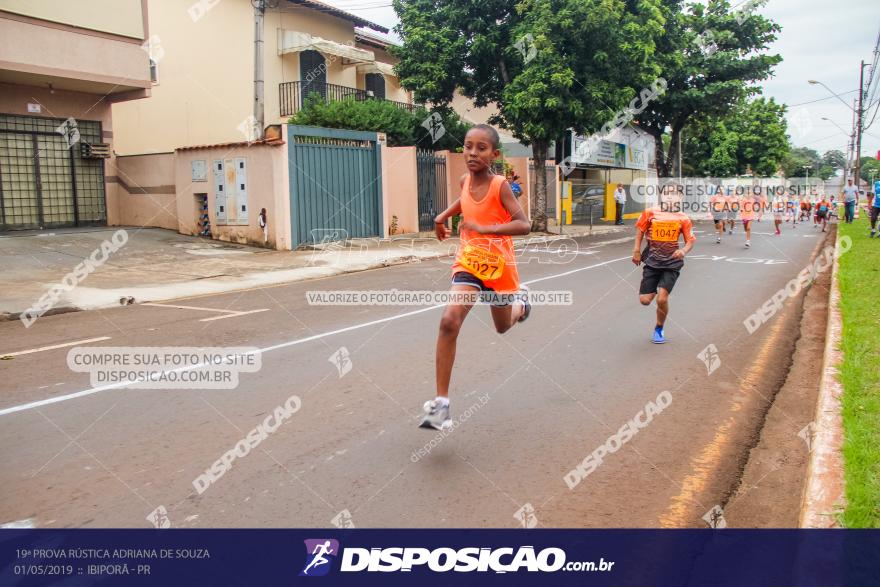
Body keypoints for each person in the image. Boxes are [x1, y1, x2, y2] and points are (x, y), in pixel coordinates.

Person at [422, 124, 531, 430]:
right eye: (468, 146)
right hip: (469, 263)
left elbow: (524, 224)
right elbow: (464, 201)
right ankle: (441, 405)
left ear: (494, 154)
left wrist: (487, 229)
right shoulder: (464, 180)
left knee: (501, 327)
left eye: (481, 148)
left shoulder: (500, 186)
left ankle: (520, 305)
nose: (472, 152)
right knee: (449, 321)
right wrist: (443, 216)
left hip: (499, 267)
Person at [633, 183, 696, 344]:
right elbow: (640, 230)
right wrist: (637, 250)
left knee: (662, 299)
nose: (669, 196)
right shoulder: (650, 212)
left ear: (680, 197)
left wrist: (683, 251)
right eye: (666, 193)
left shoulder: (683, 218)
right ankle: (653, 288)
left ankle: (659, 328)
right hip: (653, 262)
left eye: (673, 193)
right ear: (661, 196)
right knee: (645, 301)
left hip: (672, 263)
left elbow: (690, 241)